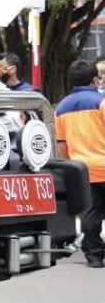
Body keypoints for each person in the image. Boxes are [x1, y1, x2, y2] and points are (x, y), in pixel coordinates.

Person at [54, 59, 105, 269]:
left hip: (82, 169)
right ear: (95, 80)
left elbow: (61, 144)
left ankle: (94, 255)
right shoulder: (101, 101)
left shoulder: (61, 108)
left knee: (90, 214)